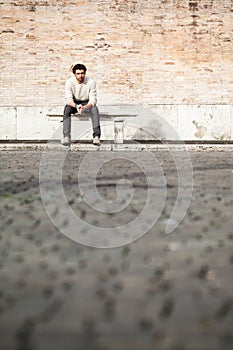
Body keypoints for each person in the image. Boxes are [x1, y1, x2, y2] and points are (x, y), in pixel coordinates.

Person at [62, 63, 101, 146]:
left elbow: (93, 100)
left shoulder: (91, 82)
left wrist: (85, 107)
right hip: (74, 103)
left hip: (86, 103)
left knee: (94, 108)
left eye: (82, 73)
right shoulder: (69, 82)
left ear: (85, 73)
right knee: (67, 109)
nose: (80, 76)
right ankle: (66, 136)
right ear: (74, 74)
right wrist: (76, 106)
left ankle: (96, 136)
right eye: (78, 74)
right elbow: (68, 100)